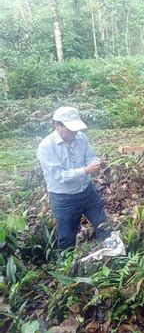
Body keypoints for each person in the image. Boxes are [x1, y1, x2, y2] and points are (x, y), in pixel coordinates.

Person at [37, 107, 111, 250]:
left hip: (87, 191)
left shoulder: (81, 138)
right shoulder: (46, 147)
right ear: (57, 126)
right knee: (67, 239)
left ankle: (114, 258)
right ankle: (66, 269)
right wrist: (85, 170)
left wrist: (94, 162)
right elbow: (59, 176)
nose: (74, 132)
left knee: (104, 227)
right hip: (64, 198)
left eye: (76, 128)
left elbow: (90, 155)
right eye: (70, 129)